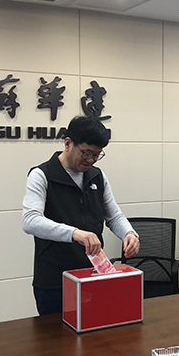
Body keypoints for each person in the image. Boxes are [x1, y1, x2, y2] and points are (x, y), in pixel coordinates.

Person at [22, 116, 140, 315]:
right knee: (55, 334)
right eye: (86, 153)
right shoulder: (42, 175)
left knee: (97, 330)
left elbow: (113, 216)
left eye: (97, 155)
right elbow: (30, 221)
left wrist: (129, 233)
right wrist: (75, 233)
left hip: (93, 274)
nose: (91, 160)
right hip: (55, 280)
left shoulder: (96, 176)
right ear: (68, 143)